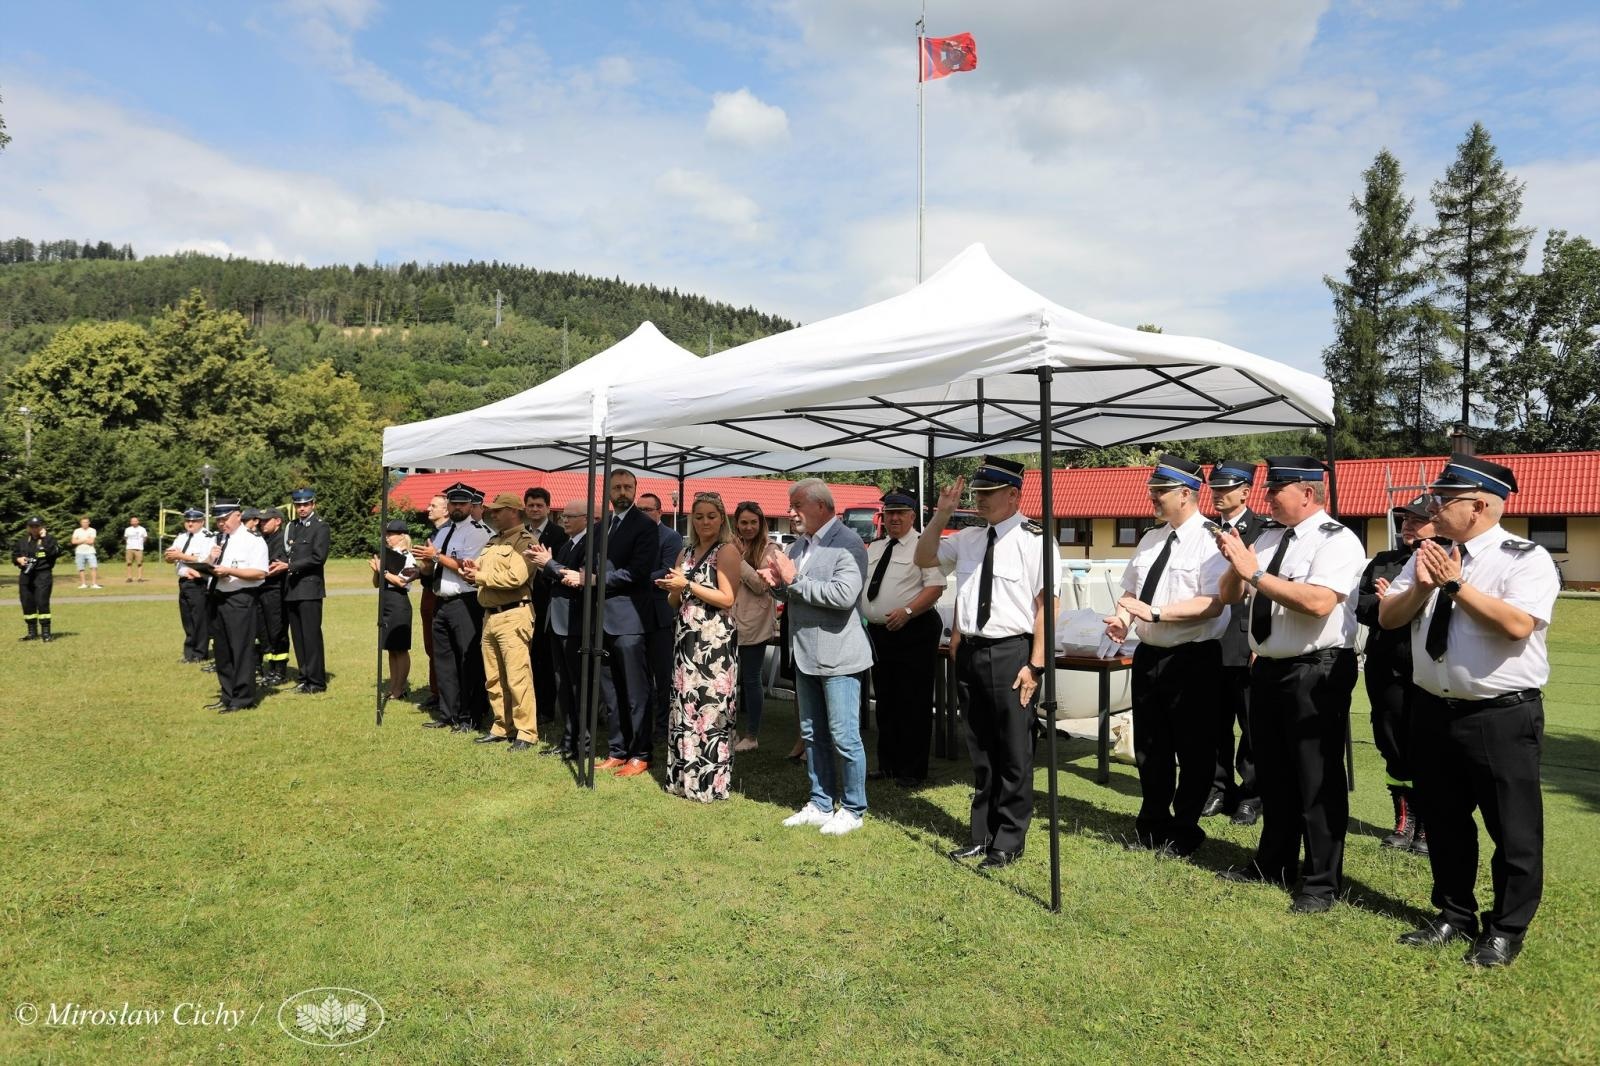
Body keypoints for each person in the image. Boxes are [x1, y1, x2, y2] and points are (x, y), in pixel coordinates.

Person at [1380, 456, 1560, 968]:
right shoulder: (1430, 554)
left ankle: (1505, 929)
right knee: (1444, 821)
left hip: (1499, 716)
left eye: (1445, 498)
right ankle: (1454, 913)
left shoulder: (1524, 557)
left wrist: (1456, 586)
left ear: (1478, 506)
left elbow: (1518, 625)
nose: (1434, 506)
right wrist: (1423, 585)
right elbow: (1389, 617)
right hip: (1433, 710)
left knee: (1513, 830)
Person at [1214, 456, 1365, 914]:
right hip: (1269, 669)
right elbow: (1229, 596)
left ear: (1307, 493)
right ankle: (1273, 863)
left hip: (1315, 670)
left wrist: (1256, 573)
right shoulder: (1267, 537)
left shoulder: (1336, 540)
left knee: (1316, 778)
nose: (1267, 498)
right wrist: (1236, 563)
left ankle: (1320, 882)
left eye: (1276, 490)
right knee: (1274, 774)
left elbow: (1318, 603)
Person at [916, 457, 1059, 869]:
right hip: (972, 652)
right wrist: (942, 513)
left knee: (1013, 750)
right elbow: (923, 557)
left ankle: (1009, 839)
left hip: (1012, 652)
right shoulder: (968, 538)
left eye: (988, 493)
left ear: (1013, 495)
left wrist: (1035, 666)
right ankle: (981, 835)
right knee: (980, 749)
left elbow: (1047, 607)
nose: (979, 500)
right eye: (977, 493)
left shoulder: (1035, 540)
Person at [1105, 455, 1229, 856]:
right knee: (1150, 747)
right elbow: (1131, 591)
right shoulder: (1150, 539)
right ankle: (1152, 825)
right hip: (1149, 655)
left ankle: (1185, 829)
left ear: (1186, 494)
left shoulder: (1212, 540)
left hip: (1192, 657)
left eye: (1160, 491)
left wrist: (1155, 612)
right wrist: (1122, 619)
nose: (1153, 498)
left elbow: (1213, 604)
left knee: (1194, 750)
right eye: (1152, 490)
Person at [763, 478, 874, 837]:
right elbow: (794, 591)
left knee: (844, 735)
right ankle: (821, 802)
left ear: (821, 506)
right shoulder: (799, 545)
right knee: (812, 733)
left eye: (797, 505)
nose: (791, 512)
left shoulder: (849, 543)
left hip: (839, 655)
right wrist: (776, 583)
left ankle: (853, 808)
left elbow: (843, 596)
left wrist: (793, 579)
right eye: (791, 505)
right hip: (806, 653)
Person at [1355, 495, 1437, 855]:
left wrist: (1400, 602)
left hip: (1427, 668)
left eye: (1417, 520)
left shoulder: (1447, 561)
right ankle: (1404, 820)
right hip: (1386, 665)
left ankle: (1427, 826)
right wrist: (1388, 605)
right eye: (1405, 519)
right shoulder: (1383, 562)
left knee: (1427, 745)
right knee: (1391, 742)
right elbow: (1362, 607)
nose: (1408, 525)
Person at [655, 492, 742, 801]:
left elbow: (727, 599)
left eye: (711, 516)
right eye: (699, 516)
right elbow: (674, 601)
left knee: (710, 706)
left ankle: (709, 782)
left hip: (714, 641)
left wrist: (688, 585)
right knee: (685, 703)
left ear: (722, 519)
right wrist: (673, 589)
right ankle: (683, 779)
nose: (705, 522)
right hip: (686, 638)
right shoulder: (686, 551)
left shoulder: (726, 551)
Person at [861, 488, 945, 787]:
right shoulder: (875, 547)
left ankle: (912, 769)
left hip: (914, 630)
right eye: (889, 513)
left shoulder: (924, 546)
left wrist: (908, 611)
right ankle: (888, 765)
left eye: (900, 513)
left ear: (912, 516)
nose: (894, 518)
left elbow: (935, 587)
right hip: (880, 633)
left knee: (913, 702)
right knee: (885, 701)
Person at [587, 469, 659, 778]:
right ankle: (617, 750)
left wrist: (595, 580)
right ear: (608, 492)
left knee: (635, 692)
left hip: (630, 621)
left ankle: (640, 754)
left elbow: (638, 571)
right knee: (611, 691)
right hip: (602, 621)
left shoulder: (645, 526)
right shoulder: (601, 526)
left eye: (628, 487)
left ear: (635, 489)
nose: (622, 492)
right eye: (617, 487)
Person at [1204, 460, 1264, 825]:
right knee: (1214, 722)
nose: (1218, 494)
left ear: (1245, 491)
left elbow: (1266, 589)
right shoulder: (1203, 530)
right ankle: (1218, 788)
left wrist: (1260, 639)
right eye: (1214, 488)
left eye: (1225, 488)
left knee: (1252, 724)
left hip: (1244, 640)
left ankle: (1252, 794)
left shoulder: (1263, 529)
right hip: (1209, 638)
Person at [463, 493, 540, 750]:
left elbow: (516, 578)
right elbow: (482, 571)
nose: (492, 515)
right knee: (494, 678)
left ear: (514, 511)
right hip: (490, 615)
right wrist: (470, 570)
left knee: (518, 677)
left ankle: (526, 732)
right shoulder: (494, 540)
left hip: (514, 614)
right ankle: (502, 726)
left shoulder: (526, 542)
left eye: (498, 510)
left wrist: (480, 575)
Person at [416, 482, 492, 733]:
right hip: (441, 600)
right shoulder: (443, 531)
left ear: (471, 506)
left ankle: (471, 715)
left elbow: (465, 566)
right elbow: (434, 565)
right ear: (448, 506)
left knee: (468, 661)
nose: (458, 507)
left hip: (465, 601)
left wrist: (436, 556)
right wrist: (426, 564)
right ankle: (448, 713)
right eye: (454, 503)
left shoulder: (477, 532)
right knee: (444, 661)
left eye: (462, 503)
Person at [528, 500, 592, 759]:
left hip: (574, 624)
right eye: (563, 516)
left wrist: (548, 563)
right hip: (558, 622)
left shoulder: (590, 544)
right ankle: (568, 740)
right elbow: (556, 576)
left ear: (586, 518)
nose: (564, 520)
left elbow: (577, 578)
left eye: (570, 516)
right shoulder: (569, 543)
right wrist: (544, 564)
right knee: (562, 684)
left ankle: (581, 743)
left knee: (576, 686)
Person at [202, 500, 270, 713]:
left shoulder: (253, 541)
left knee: (240, 649)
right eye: (218, 520)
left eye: (225, 519)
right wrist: (209, 560)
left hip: (241, 599)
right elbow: (209, 568)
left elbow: (260, 573)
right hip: (218, 597)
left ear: (238, 516)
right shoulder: (219, 539)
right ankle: (228, 694)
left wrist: (230, 572)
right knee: (222, 650)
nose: (221, 524)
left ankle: (243, 698)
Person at [730, 501, 780, 753]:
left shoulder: (771, 549)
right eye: (743, 522)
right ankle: (729, 731)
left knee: (751, 679)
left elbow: (762, 585)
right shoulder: (729, 546)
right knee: (726, 680)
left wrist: (738, 560)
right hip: (728, 619)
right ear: (736, 524)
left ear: (761, 523)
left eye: (753, 522)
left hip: (755, 624)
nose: (748, 527)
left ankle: (752, 735)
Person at [639, 492, 684, 745]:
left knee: (663, 674)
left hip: (659, 613)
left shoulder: (670, 536)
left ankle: (663, 725)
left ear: (659, 511)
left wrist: (632, 577)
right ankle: (643, 723)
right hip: (635, 613)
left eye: (648, 509)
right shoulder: (634, 535)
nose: (643, 514)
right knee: (641, 673)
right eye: (639, 509)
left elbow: (668, 571)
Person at [524, 485, 569, 735]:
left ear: (548, 508)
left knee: (543, 658)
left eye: (539, 505)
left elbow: (561, 567)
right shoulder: (520, 533)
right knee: (527, 658)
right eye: (530, 505)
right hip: (522, 602)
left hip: (546, 603)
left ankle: (546, 709)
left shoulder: (559, 534)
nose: (534, 509)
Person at [285, 488, 331, 694]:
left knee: (311, 636)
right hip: (292, 588)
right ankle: (304, 677)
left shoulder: (320, 527)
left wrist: (290, 566)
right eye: (298, 505)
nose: (302, 508)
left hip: (310, 588)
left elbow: (318, 557)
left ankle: (316, 681)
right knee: (298, 637)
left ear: (313, 505)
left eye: (305, 504)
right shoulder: (293, 527)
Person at [371, 518, 417, 702]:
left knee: (401, 648)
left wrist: (383, 571)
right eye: (386, 534)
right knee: (390, 648)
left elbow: (402, 582)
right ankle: (393, 686)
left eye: (391, 534)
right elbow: (376, 584)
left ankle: (400, 688)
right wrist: (377, 571)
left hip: (399, 602)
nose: (387, 537)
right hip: (387, 601)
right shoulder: (387, 554)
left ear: (402, 536)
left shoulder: (408, 556)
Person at [164, 508, 213, 662]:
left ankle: (200, 653)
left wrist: (181, 555)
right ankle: (189, 652)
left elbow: (206, 560)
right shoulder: (181, 537)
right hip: (184, 581)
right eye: (187, 521)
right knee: (187, 619)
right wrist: (171, 557)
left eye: (194, 521)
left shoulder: (208, 537)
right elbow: (169, 557)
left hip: (198, 582)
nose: (190, 524)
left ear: (202, 522)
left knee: (199, 619)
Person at [417, 493, 449, 714]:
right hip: (428, 592)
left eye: (433, 505)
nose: (428, 508)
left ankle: (444, 693)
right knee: (430, 646)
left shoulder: (451, 533)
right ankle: (436, 691)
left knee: (441, 647)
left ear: (446, 510)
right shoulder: (433, 534)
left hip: (442, 593)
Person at [255, 507, 292, 686]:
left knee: (277, 631)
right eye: (260, 521)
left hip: (275, 591)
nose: (262, 523)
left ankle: (280, 671)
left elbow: (274, 566)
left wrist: (255, 571)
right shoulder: (262, 539)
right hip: (260, 589)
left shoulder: (282, 539)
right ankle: (270, 668)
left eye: (266, 520)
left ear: (277, 521)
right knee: (264, 632)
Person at [12, 516, 62, 642]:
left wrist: (45, 538)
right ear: (28, 527)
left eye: (37, 526)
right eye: (32, 526)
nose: (34, 529)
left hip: (43, 575)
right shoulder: (23, 541)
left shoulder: (49, 539)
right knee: (27, 603)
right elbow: (15, 555)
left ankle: (46, 634)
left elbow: (54, 553)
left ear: (42, 527)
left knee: (42, 602)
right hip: (26, 576)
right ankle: (32, 633)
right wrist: (19, 560)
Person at [71, 517, 102, 589]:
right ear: (81, 523)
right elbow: (73, 541)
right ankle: (83, 584)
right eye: (83, 522)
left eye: (86, 522)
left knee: (93, 567)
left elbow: (91, 541)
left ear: (89, 523)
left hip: (90, 551)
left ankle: (94, 584)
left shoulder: (92, 530)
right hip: (79, 552)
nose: (85, 523)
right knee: (81, 568)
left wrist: (79, 540)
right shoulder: (77, 531)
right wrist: (85, 539)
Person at [122, 516, 148, 583]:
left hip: (139, 548)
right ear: (130, 522)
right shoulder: (127, 529)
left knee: (139, 563)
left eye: (135, 521)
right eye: (132, 521)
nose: (134, 522)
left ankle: (140, 578)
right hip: (129, 548)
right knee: (129, 563)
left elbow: (145, 537)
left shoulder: (142, 529)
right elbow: (125, 537)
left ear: (138, 522)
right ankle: (129, 578)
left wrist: (141, 543)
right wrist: (129, 543)